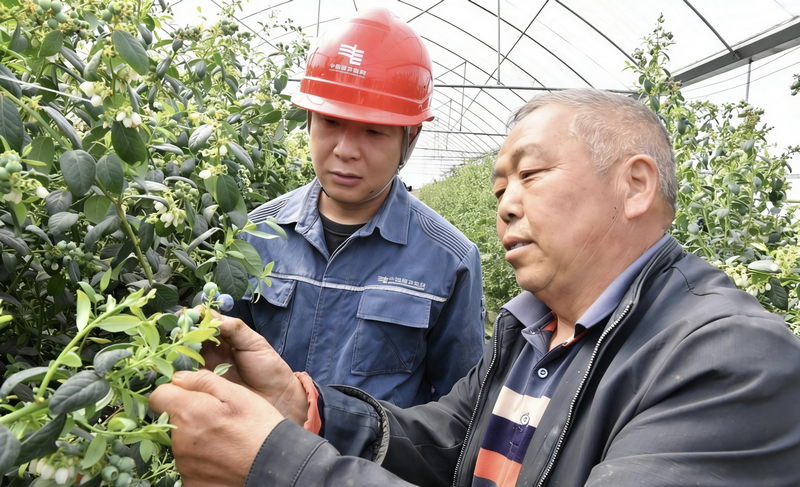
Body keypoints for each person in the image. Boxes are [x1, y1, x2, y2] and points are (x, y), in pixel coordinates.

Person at [150, 89, 800, 486]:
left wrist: (281, 463)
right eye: (499, 188)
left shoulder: (730, 361)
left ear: (633, 185)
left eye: (532, 175)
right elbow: (445, 441)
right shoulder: (532, 335)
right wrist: (304, 405)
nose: (507, 206)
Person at [229, 8, 486, 407]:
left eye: (373, 131)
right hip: (260, 462)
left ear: (409, 136)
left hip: (370, 470)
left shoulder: (448, 261)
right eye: (331, 122)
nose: (345, 151)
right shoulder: (258, 233)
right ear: (309, 120)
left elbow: (460, 406)